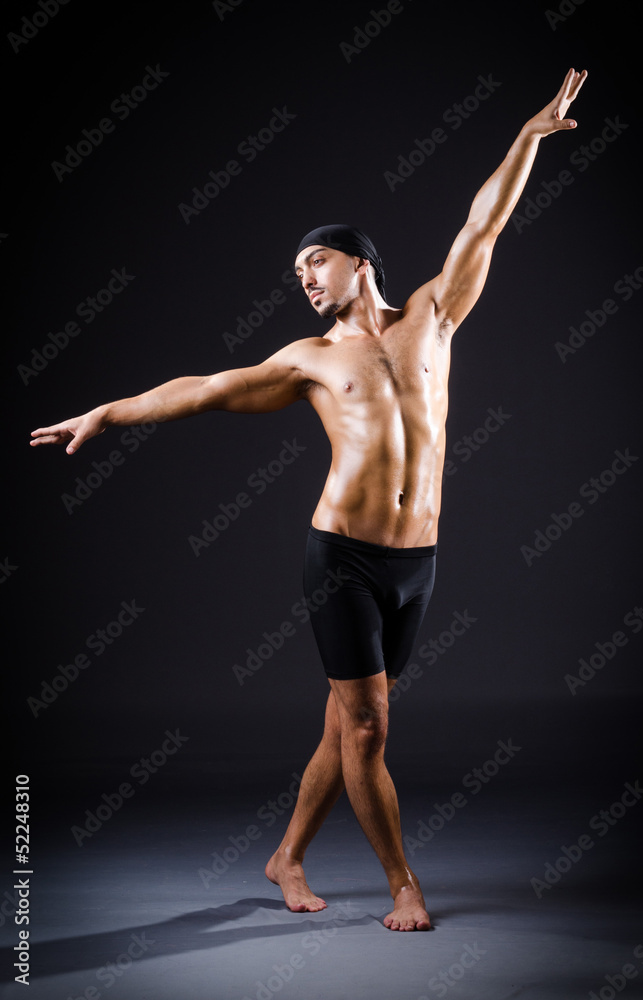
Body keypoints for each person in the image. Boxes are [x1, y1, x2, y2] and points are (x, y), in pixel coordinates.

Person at [31, 68, 587, 931]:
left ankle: (286, 855)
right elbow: (206, 387)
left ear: (359, 261)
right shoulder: (310, 360)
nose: (303, 277)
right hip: (344, 560)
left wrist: (526, 137)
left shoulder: (433, 319)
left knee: (346, 725)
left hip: (419, 564)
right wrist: (107, 412)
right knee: (368, 730)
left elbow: (486, 225)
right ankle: (404, 882)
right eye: (295, 270)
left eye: (315, 260)